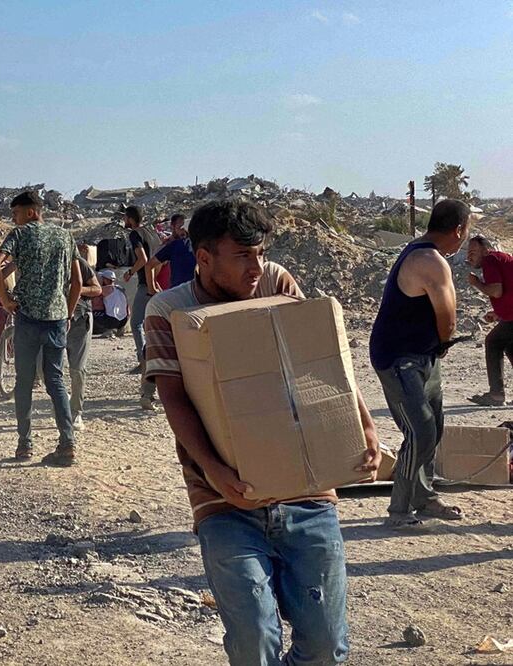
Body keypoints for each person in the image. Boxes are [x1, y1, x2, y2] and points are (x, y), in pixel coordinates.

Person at [145, 199, 380, 665]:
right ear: (205, 257)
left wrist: (364, 426)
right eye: (243, 256)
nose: (257, 267)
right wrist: (214, 473)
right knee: (254, 639)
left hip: (306, 492)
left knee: (326, 648)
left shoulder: (277, 282)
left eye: (261, 253)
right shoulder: (170, 310)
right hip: (225, 501)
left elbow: (320, 361)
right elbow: (174, 398)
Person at [371, 198, 472, 529]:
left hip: (421, 354)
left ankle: (425, 498)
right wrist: (444, 342)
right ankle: (399, 510)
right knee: (420, 430)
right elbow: (447, 313)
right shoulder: (429, 259)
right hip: (400, 358)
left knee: (434, 427)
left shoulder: (422, 250)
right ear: (458, 230)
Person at [0, 191, 83, 466]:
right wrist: (67, 311)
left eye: (16, 213)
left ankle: (24, 444)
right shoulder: (66, 237)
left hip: (27, 317)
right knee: (55, 380)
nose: (14, 219)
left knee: (24, 380)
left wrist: (5, 300)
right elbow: (76, 281)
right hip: (56, 319)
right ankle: (67, 443)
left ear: (30, 212)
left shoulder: (21, 234)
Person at [465, 236, 513, 406]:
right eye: (468, 253)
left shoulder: (489, 261)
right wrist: (499, 313)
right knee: (509, 346)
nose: (469, 256)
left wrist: (476, 283)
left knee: (493, 342)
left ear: (485, 250)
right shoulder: (500, 258)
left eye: (473, 252)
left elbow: (496, 291)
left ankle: (496, 395)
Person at [122, 205, 162, 374]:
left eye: (125, 218)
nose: (124, 221)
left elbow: (143, 259)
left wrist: (130, 272)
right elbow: (161, 258)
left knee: (136, 323)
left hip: (145, 284)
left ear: (130, 219)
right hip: (156, 282)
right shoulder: (153, 234)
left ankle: (143, 360)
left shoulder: (135, 234)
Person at [68, 242, 102, 431]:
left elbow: (97, 289)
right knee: (43, 367)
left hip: (80, 320)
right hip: (52, 321)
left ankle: (76, 412)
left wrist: (77, 289)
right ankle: (64, 400)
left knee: (77, 368)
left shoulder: (79, 263)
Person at [148, 213, 196, 289]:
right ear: (173, 227)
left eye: (185, 227)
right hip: (171, 292)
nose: (183, 230)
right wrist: (154, 289)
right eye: (180, 227)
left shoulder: (192, 245)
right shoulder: (167, 246)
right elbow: (152, 269)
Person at [91, 268, 129, 336]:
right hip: (124, 320)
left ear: (105, 280)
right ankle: (119, 328)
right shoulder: (121, 288)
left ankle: (109, 329)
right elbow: (127, 307)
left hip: (112, 320)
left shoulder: (106, 289)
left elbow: (94, 299)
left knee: (94, 307)